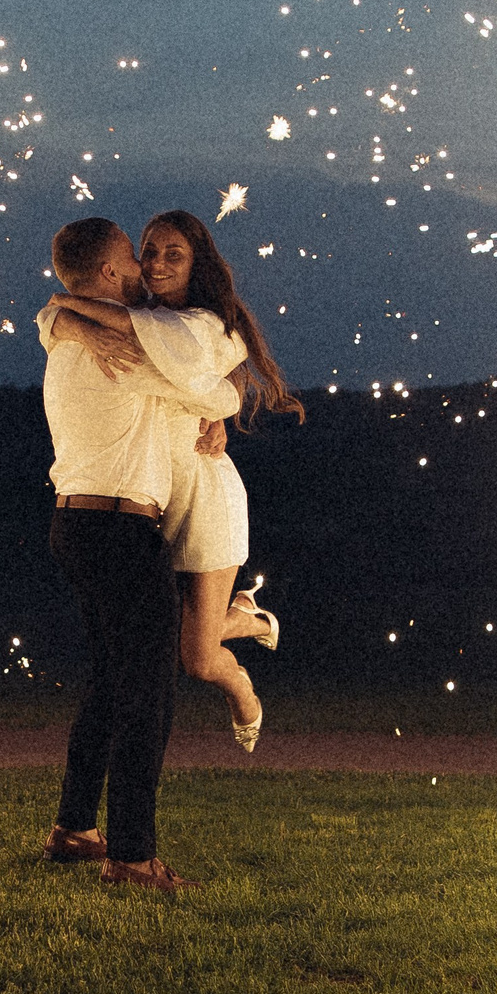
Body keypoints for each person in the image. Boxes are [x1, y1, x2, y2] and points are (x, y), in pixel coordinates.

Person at [44, 209, 303, 752]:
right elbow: (99, 326)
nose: (156, 263)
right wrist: (61, 317)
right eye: (149, 251)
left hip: (206, 495)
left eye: (173, 255)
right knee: (171, 648)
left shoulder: (205, 326)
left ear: (197, 265)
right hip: (153, 502)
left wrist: (64, 312)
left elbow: (192, 371)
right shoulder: (135, 315)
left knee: (200, 659)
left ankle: (246, 664)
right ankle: (240, 616)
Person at [36, 215, 240, 894]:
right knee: (147, 695)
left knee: (108, 681)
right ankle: (131, 853)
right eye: (131, 257)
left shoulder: (70, 342)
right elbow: (220, 386)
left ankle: (73, 827)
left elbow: (52, 312)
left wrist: (63, 315)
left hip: (74, 525)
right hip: (120, 531)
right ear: (105, 274)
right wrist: (221, 405)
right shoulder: (126, 349)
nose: (140, 268)